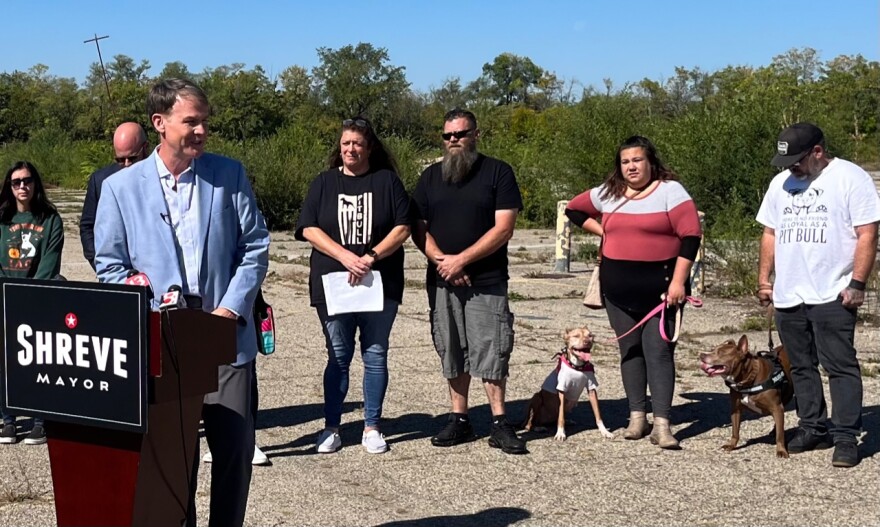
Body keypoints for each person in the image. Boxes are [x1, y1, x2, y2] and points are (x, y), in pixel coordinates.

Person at [94, 79, 269, 526]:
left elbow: (256, 247)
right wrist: (150, 306)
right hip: (164, 349)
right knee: (174, 466)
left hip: (225, 339)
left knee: (234, 456)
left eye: (204, 122)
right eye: (191, 121)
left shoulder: (229, 174)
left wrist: (229, 310)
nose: (201, 131)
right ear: (160, 123)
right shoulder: (121, 188)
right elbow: (110, 266)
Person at [565, 135, 702, 449]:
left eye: (637, 160)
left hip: (663, 292)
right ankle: (637, 417)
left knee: (659, 353)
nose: (631, 167)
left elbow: (691, 236)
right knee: (630, 351)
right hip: (617, 291)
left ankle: (663, 425)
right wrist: (605, 231)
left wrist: (679, 282)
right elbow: (574, 210)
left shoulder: (671, 191)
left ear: (651, 162)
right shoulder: (609, 193)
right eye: (625, 161)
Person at [756, 123, 880, 468]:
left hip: (833, 291)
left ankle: (845, 437)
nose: (790, 167)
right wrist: (765, 279)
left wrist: (857, 283)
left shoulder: (850, 178)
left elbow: (868, 232)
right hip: (789, 293)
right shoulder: (780, 183)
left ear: (818, 152)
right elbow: (770, 231)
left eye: (796, 160)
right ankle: (812, 427)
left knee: (840, 366)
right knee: (800, 365)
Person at [411, 109, 527, 455]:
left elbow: (503, 228)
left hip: (486, 280)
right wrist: (442, 261)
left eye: (460, 134)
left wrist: (462, 260)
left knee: (491, 350)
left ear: (476, 134)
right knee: (451, 349)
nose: (454, 141)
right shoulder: (430, 177)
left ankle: (499, 422)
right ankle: (459, 419)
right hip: (442, 280)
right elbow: (418, 227)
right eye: (447, 136)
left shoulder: (498, 172)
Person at [295, 117, 410, 454]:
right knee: (338, 356)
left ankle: (372, 426)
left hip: (379, 283)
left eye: (357, 143)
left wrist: (370, 257)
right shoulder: (324, 183)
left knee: (375, 355)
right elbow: (308, 228)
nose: (350, 149)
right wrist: (346, 256)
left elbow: (403, 228)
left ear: (369, 147)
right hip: (334, 285)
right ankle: (332, 427)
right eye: (345, 143)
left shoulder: (387, 182)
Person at [0, 161, 64, 446]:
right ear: (9, 187)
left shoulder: (50, 219)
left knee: (38, 359)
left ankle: (40, 421)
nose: (22, 186)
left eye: (27, 181)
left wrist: (31, 295)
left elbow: (49, 262)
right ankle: (9, 421)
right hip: (5, 297)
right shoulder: (2, 219)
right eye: (16, 182)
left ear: (35, 183)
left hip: (39, 298)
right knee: (5, 362)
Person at [79, 122, 149, 270]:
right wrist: (100, 264)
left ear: (146, 148)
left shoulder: (160, 178)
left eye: (133, 158)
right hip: (114, 272)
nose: (127, 164)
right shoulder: (100, 180)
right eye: (120, 160)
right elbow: (87, 226)